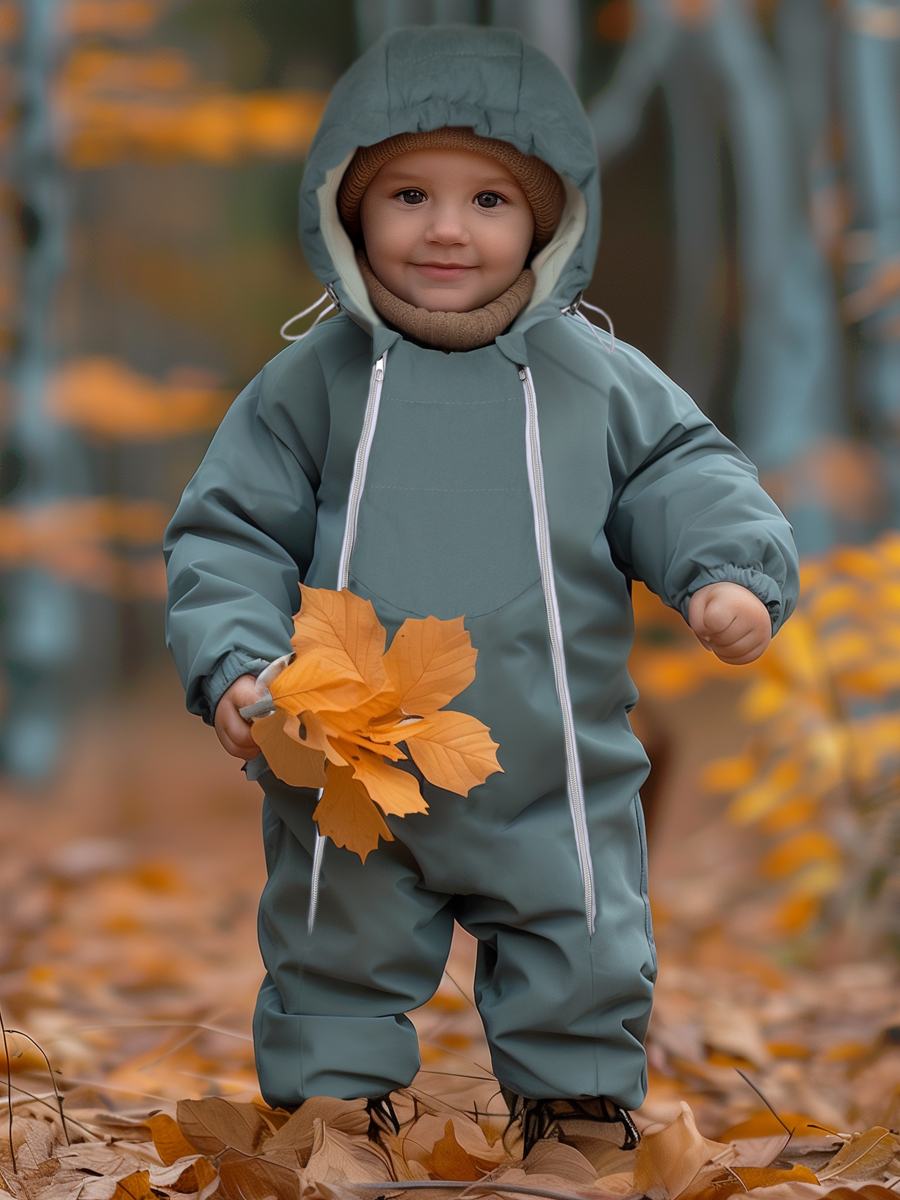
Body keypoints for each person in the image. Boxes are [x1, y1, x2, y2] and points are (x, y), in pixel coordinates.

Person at [164, 25, 799, 1155]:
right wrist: (235, 663)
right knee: (331, 942)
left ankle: (579, 1114)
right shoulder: (308, 383)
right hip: (347, 756)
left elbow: (687, 471)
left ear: (548, 222)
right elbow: (229, 530)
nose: (447, 228)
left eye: (490, 200)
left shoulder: (593, 377)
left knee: (583, 937)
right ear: (347, 211)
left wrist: (728, 574)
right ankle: (331, 1111)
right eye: (408, 193)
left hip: (549, 762)